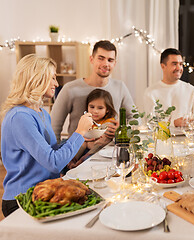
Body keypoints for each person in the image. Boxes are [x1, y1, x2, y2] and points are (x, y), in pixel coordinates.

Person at [0, 54, 93, 217]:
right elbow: (53, 162)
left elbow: (51, 152)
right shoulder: (20, 117)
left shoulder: (42, 113)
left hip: (47, 190)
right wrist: (80, 132)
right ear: (37, 78)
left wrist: (81, 141)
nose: (56, 84)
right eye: (53, 77)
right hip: (23, 199)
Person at [51, 40, 134, 143]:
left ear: (114, 63)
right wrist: (60, 155)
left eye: (110, 60)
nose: (105, 64)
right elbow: (54, 126)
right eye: (101, 58)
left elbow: (135, 118)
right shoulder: (70, 89)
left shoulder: (120, 87)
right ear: (91, 59)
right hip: (78, 152)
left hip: (110, 152)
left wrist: (123, 129)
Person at [143, 48, 194, 127]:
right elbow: (150, 124)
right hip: (162, 139)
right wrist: (173, 123)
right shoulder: (150, 92)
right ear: (163, 66)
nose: (179, 68)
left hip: (188, 138)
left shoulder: (191, 89)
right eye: (174, 64)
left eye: (181, 64)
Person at [70, 89, 117, 164]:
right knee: (79, 141)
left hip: (99, 151)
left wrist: (83, 158)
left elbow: (101, 142)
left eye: (100, 108)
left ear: (107, 109)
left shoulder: (110, 122)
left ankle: (80, 160)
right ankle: (72, 161)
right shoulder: (87, 120)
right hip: (86, 148)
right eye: (92, 107)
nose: (95, 111)